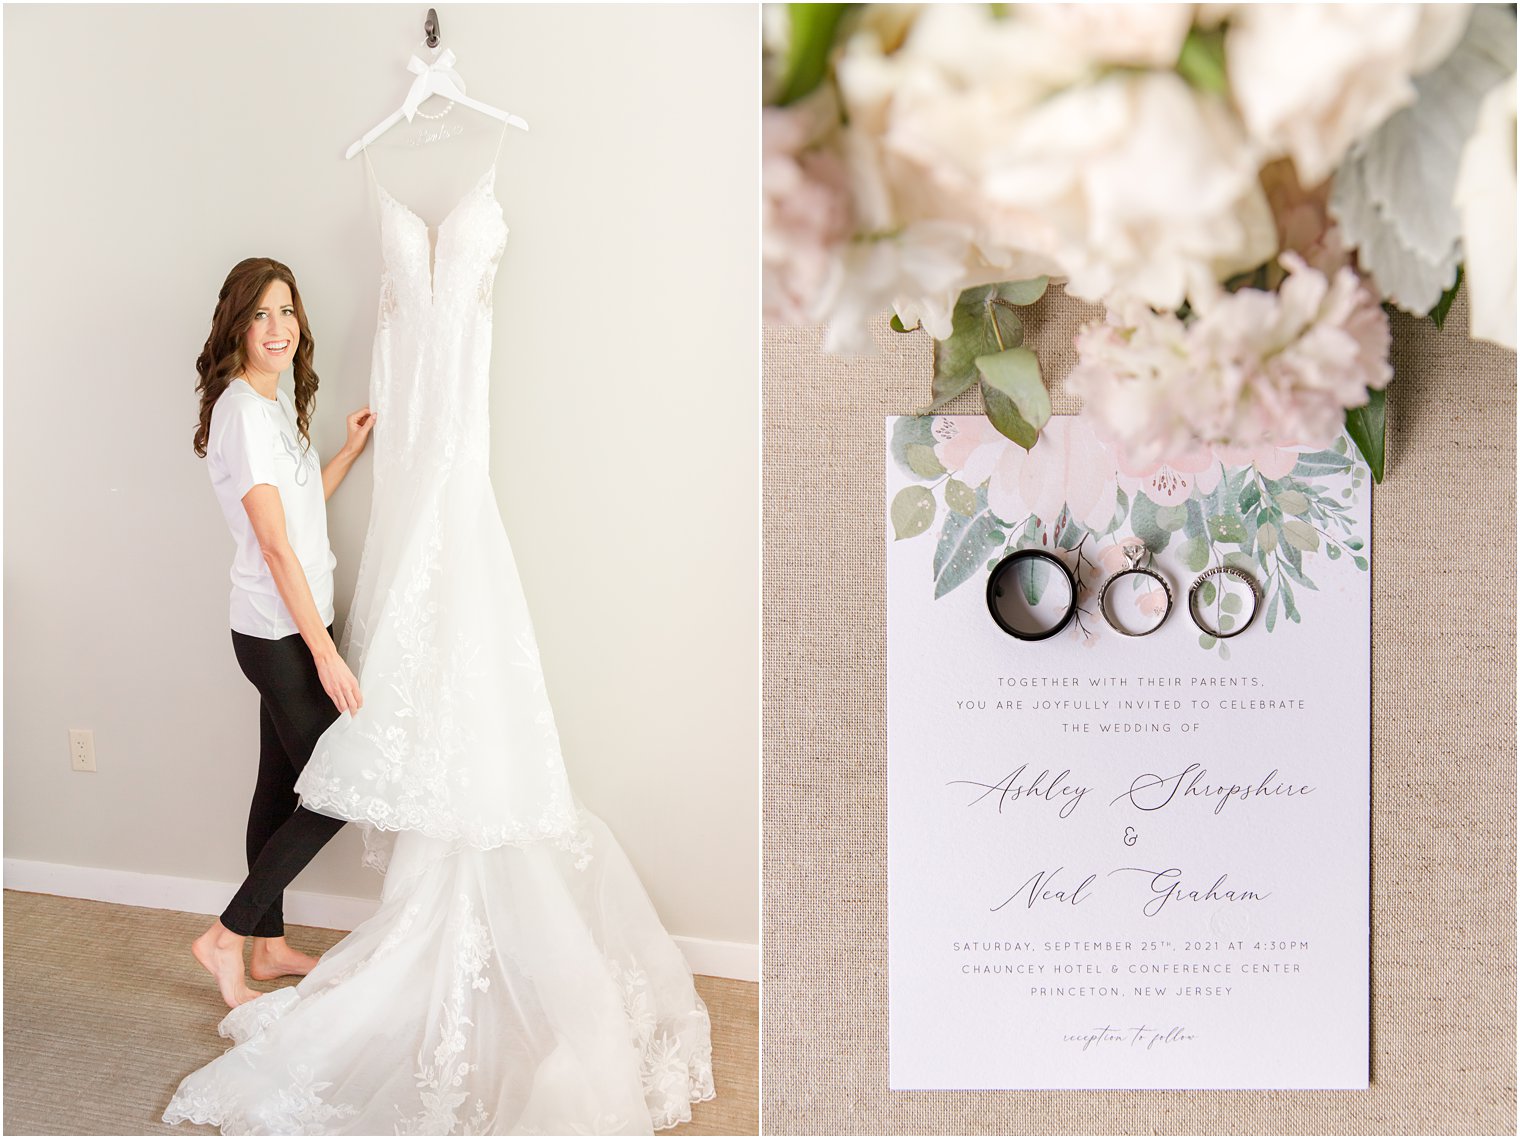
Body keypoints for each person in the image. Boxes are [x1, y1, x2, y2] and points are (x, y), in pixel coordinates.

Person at [189, 257, 374, 1008]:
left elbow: (292, 516)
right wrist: (324, 654)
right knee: (338, 790)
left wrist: (344, 455)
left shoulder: (271, 404)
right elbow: (273, 546)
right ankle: (226, 936)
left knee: (277, 784)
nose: (278, 328)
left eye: (287, 312)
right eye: (261, 313)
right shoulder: (240, 409)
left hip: (296, 622)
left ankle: (266, 947)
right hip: (278, 633)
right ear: (237, 323)